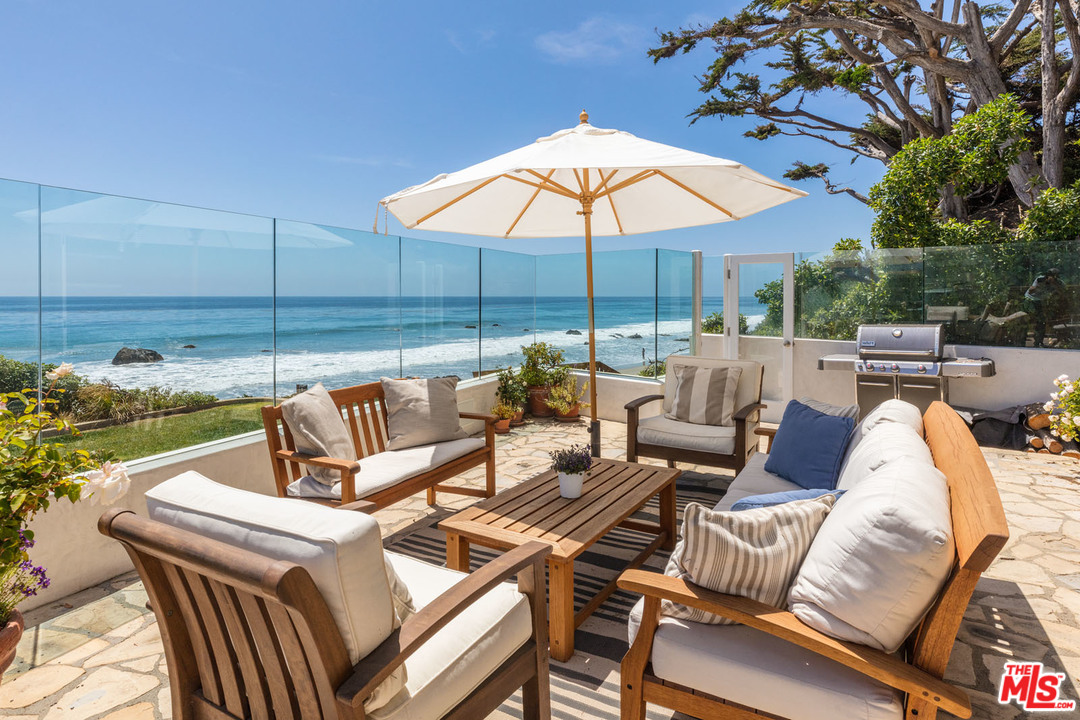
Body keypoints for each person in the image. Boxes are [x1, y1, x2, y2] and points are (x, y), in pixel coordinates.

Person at [1025, 268, 1066, 347]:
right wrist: (1039, 287)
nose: (1053, 279)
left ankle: (1039, 341)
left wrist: (1056, 287)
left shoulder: (1059, 283)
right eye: (1051, 277)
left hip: (1041, 301)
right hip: (1030, 300)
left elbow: (1063, 291)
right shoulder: (1040, 279)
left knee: (1042, 321)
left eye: (1055, 277)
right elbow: (1030, 291)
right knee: (1039, 321)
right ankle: (1037, 342)